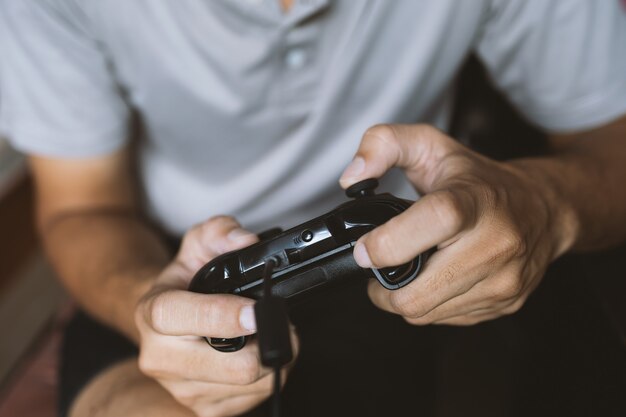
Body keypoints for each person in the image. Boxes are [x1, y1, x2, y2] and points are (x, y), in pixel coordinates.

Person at [1, 0, 626, 416]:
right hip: (160, 265)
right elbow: (82, 209)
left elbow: (611, 141)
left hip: (402, 262)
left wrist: (546, 206)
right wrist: (148, 303)